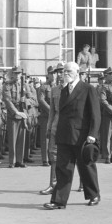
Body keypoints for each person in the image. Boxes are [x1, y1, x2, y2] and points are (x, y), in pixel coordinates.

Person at [43, 62, 101, 210]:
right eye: (64, 72)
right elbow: (60, 114)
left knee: (86, 168)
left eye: (69, 71)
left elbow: (95, 114)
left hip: (82, 136)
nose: (65, 74)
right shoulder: (62, 91)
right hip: (64, 136)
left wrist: (92, 134)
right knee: (63, 169)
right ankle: (58, 201)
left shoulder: (88, 89)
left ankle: (94, 195)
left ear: (77, 73)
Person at [39, 64, 64, 195]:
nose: (59, 74)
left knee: (74, 156)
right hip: (55, 124)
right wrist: (49, 128)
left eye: (61, 72)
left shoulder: (74, 89)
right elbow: (52, 112)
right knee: (53, 156)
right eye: (57, 72)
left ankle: (83, 184)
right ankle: (52, 184)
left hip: (69, 126)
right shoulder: (54, 90)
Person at [2, 66, 28, 168]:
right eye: (15, 73)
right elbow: (7, 100)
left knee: (21, 139)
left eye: (19, 73)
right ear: (12, 74)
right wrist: (16, 112)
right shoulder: (7, 85)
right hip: (13, 114)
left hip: (22, 113)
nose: (17, 75)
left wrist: (24, 101)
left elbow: (31, 98)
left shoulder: (23, 85)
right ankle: (11, 161)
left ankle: (19, 160)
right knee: (13, 139)